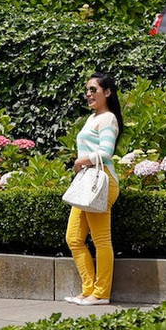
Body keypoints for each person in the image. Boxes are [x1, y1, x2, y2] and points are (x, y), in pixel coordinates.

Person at [64, 72, 122, 306]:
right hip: (88, 182)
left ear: (107, 92)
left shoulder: (108, 118)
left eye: (93, 90)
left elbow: (106, 152)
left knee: (101, 240)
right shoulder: (92, 118)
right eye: (87, 90)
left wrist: (81, 161)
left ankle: (101, 293)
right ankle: (89, 289)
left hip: (101, 181)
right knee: (74, 237)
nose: (88, 94)